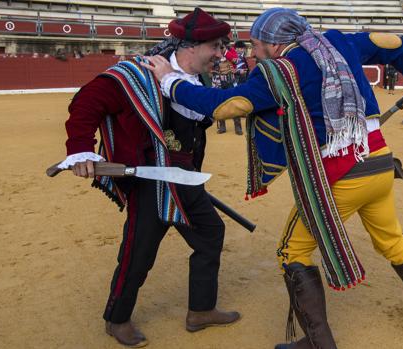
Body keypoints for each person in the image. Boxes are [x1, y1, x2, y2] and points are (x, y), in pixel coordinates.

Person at [142, 8, 403, 348]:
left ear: (276, 45)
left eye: (257, 45)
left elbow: (224, 106)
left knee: (292, 251)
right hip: (378, 163)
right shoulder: (335, 41)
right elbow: (391, 42)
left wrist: (170, 80)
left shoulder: (279, 71)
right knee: (391, 240)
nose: (254, 53)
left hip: (340, 175)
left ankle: (318, 343)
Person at [58, 8, 240, 347]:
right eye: (215, 46)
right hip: (149, 181)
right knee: (139, 251)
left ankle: (200, 310)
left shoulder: (198, 81)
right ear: (192, 46)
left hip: (185, 179)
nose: (220, 54)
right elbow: (87, 101)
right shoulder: (137, 73)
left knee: (211, 233)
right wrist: (80, 148)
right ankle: (117, 319)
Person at [215, 40, 243, 135]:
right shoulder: (214, 51)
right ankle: (222, 127)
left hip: (230, 80)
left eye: (221, 45)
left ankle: (238, 127)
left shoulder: (230, 51)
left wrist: (225, 51)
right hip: (219, 81)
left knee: (234, 102)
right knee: (220, 103)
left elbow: (236, 60)